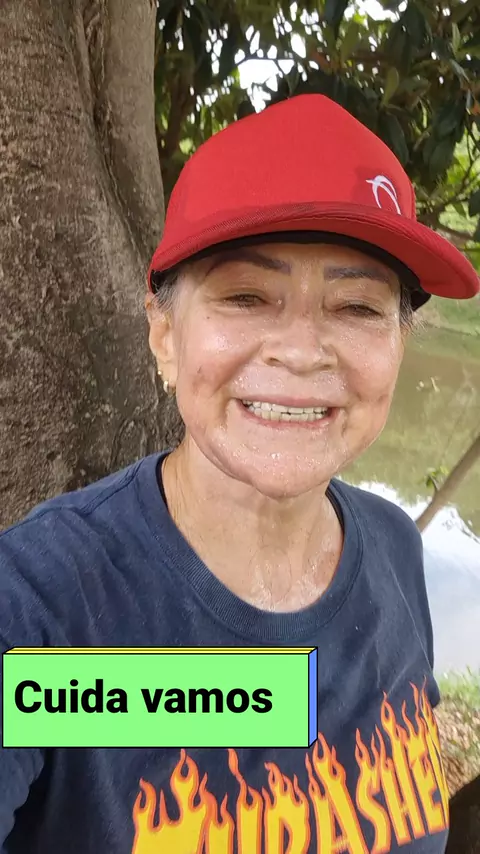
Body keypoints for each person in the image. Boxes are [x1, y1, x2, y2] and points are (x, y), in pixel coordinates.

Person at [0, 93, 478, 854]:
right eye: (246, 297)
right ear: (165, 335)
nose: (302, 351)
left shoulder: (393, 547)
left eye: (357, 307)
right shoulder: (42, 609)